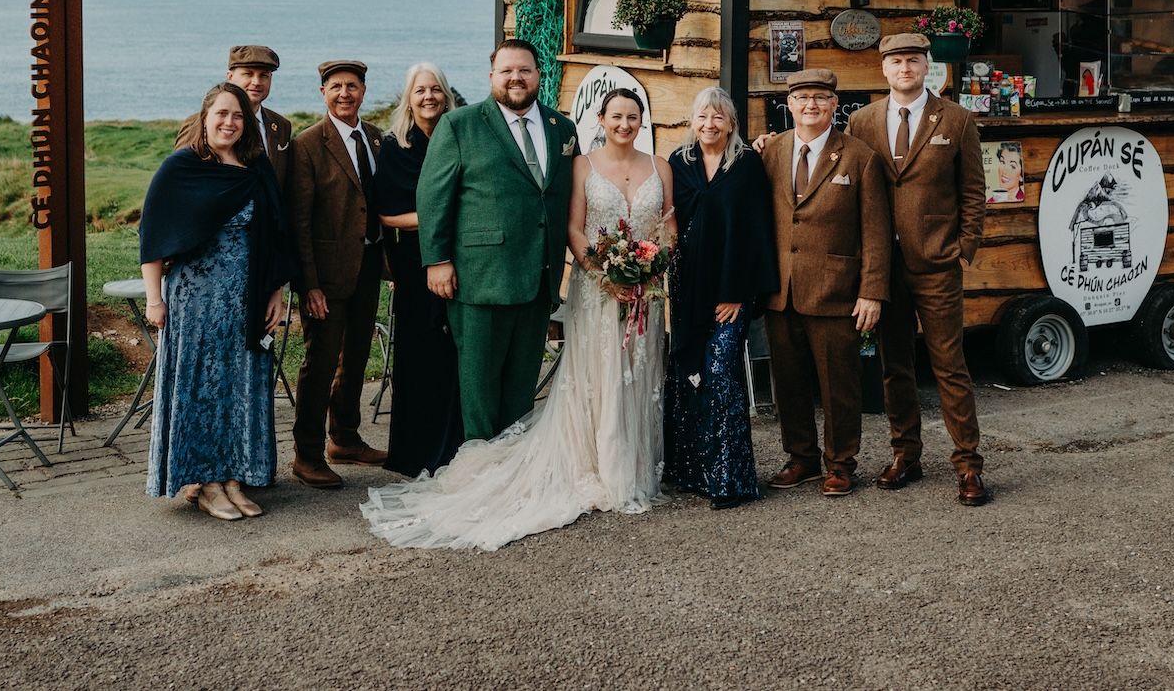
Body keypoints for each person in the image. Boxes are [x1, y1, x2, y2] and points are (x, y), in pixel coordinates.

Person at [360, 86, 670, 550]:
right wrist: (605, 271)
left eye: (632, 116)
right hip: (553, 281)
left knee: (621, 376)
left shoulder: (568, 134)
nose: (624, 124)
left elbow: (665, 223)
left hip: (610, 286)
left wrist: (649, 266)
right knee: (509, 375)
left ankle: (631, 466)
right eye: (616, 115)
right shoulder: (466, 125)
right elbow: (442, 195)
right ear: (602, 120)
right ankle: (490, 465)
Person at [140, 82, 294, 521]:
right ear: (205, 117)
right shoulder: (182, 167)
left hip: (246, 300)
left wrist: (277, 291)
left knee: (239, 386)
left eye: (238, 116)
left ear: (246, 124)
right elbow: (151, 236)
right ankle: (204, 482)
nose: (229, 122)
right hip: (196, 300)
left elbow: (276, 233)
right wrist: (155, 300)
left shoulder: (256, 166)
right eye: (221, 114)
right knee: (203, 389)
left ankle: (231, 477)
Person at [849, 33, 991, 506]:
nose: (904, 68)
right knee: (895, 365)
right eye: (896, 61)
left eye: (913, 60)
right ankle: (905, 453)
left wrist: (964, 247)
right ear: (883, 70)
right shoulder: (861, 121)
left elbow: (973, 191)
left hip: (936, 262)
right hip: (883, 267)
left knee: (949, 364)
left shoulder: (956, 119)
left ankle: (968, 464)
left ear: (926, 66)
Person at [414, 39, 578, 440]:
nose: (516, 78)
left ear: (539, 75)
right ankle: (480, 473)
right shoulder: (461, 125)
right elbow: (433, 195)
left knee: (521, 389)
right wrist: (437, 260)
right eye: (506, 71)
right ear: (492, 77)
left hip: (539, 276)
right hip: (481, 279)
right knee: (480, 388)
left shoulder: (562, 128)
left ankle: (512, 471)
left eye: (524, 70)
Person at [759, 68, 892, 498]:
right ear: (790, 105)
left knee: (840, 385)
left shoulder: (859, 157)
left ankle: (841, 463)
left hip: (836, 290)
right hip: (782, 290)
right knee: (790, 381)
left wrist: (872, 291)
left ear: (835, 105)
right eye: (802, 98)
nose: (811, 105)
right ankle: (802, 457)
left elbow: (875, 231)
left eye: (820, 98)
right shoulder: (771, 152)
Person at [664, 86, 779, 509]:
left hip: (730, 291)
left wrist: (737, 294)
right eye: (702, 117)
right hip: (689, 289)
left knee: (721, 375)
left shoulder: (746, 163)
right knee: (686, 372)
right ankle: (693, 472)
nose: (709, 124)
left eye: (718, 117)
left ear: (731, 123)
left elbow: (755, 231)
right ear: (691, 121)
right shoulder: (680, 162)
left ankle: (730, 479)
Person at [285, 60, 388, 489]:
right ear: (323, 93)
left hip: (368, 267)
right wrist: (308, 284)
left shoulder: (378, 139)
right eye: (336, 87)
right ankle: (306, 454)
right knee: (321, 361)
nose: (345, 93)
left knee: (357, 356)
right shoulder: (308, 145)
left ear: (364, 91)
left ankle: (344, 438)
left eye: (352, 86)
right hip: (325, 276)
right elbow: (300, 222)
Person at [376, 62, 464, 478]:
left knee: (453, 354)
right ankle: (414, 452)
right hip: (413, 264)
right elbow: (388, 214)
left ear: (446, 95)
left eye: (436, 89)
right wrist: (441, 218)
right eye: (420, 90)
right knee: (418, 354)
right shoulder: (395, 146)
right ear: (408, 99)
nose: (429, 96)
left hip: (461, 260)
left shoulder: (460, 137)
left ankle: (454, 447)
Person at [175, 45, 295, 192]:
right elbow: (179, 179)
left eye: (264, 75)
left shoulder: (281, 125)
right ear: (230, 77)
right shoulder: (199, 123)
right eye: (248, 74)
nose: (256, 82)